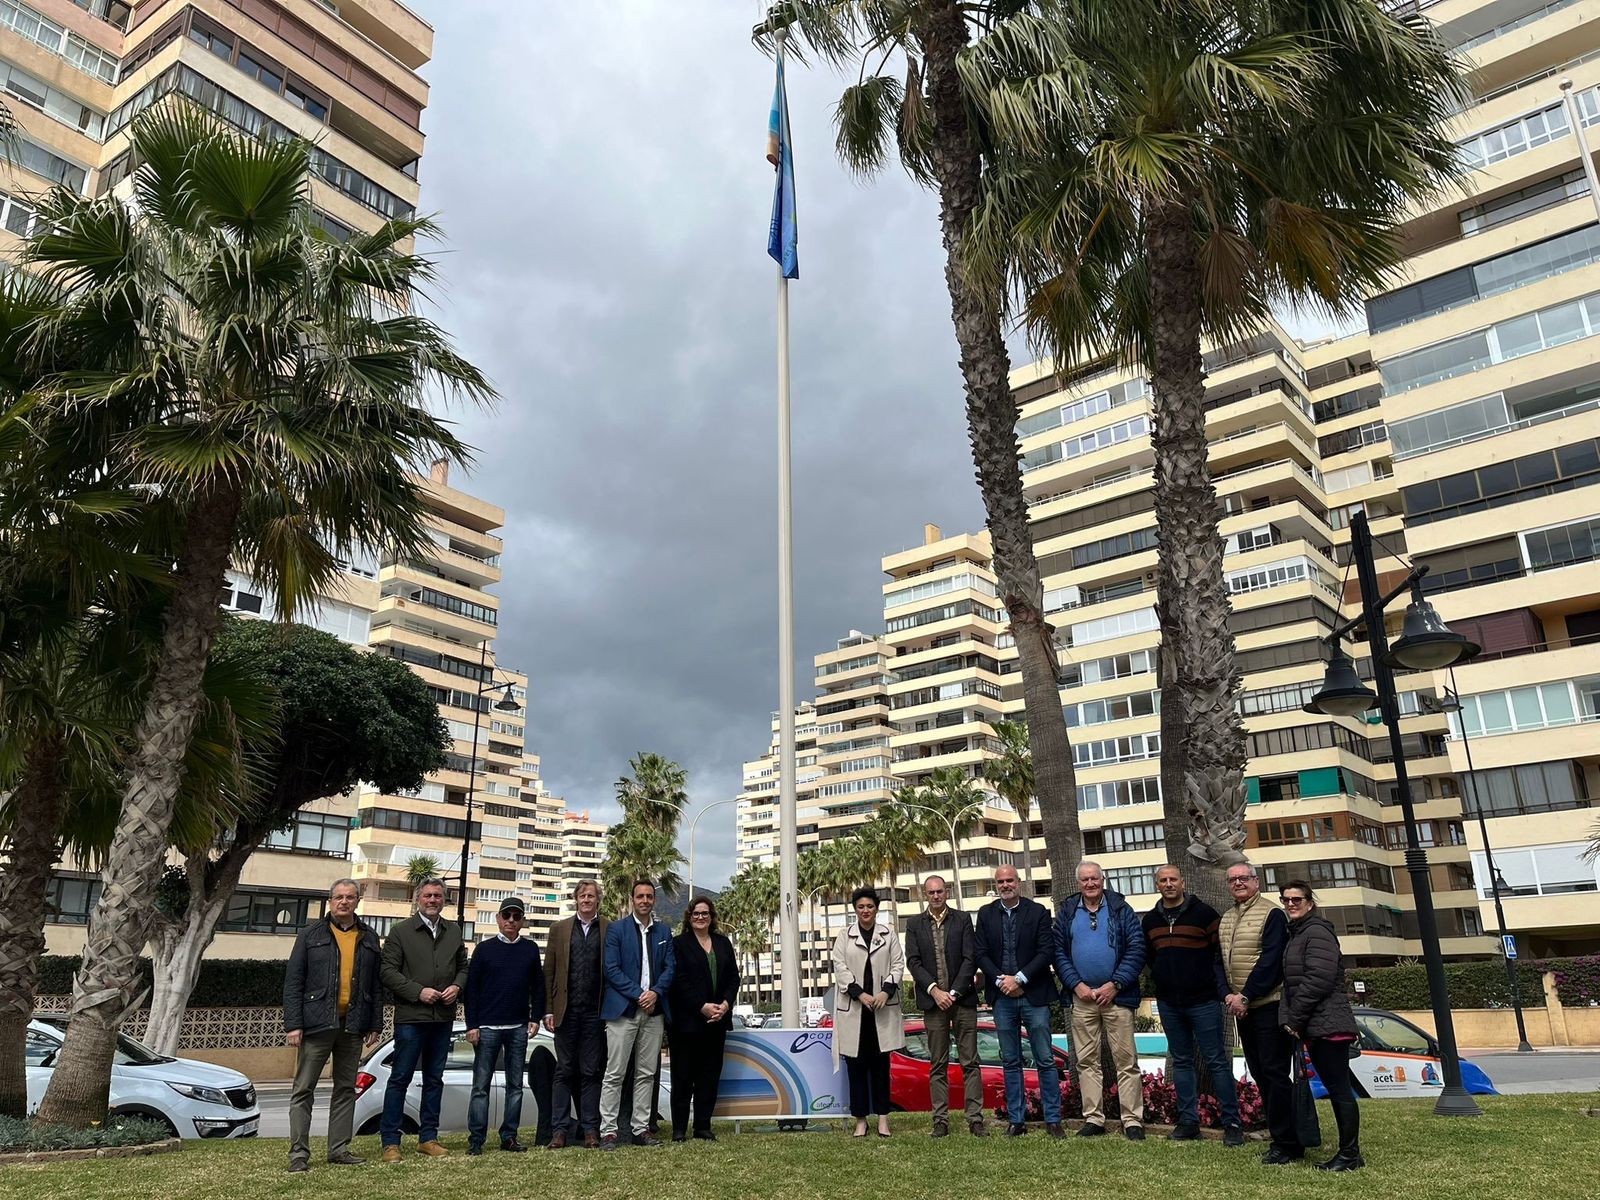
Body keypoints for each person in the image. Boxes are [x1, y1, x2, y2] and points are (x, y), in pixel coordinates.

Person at [282, 879, 384, 1173]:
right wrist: (293, 1025)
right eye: (338, 897)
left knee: (344, 1089)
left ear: (357, 901)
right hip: (316, 1024)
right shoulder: (310, 935)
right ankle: (298, 1153)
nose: (344, 902)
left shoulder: (368, 937)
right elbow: (293, 982)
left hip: (353, 1026)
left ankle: (338, 1149)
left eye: (349, 897)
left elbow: (376, 987)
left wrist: (375, 1023)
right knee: (303, 1090)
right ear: (330, 901)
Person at [1142, 864, 1244, 1146]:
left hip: (1204, 1001)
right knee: (1182, 1061)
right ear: (1157, 885)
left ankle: (1232, 1122)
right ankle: (1189, 1121)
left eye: (1173, 879)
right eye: (1163, 880)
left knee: (1216, 1061)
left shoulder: (1205, 914)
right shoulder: (1150, 921)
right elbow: (1151, 959)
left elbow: (1218, 955)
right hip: (1169, 1003)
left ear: (1182, 882)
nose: (1169, 883)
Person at [378, 877, 469, 1162]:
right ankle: (391, 1142)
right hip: (411, 1019)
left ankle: (428, 1138)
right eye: (428, 895)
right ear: (419, 899)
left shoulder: (453, 931)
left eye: (438, 896)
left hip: (442, 1019)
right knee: (400, 1079)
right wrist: (419, 992)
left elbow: (464, 967)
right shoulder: (400, 932)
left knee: (435, 1079)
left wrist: (457, 986)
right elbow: (387, 972)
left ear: (444, 900)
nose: (433, 900)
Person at [1055, 860, 1147, 1140]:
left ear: (1102, 880)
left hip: (1117, 997)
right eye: (1085, 880)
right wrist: (1076, 984)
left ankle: (1132, 1121)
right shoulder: (1068, 911)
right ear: (1078, 883)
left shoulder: (1121, 909)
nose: (1090, 884)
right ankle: (1094, 1119)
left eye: (1094, 878)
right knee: (1086, 1061)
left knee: (1126, 1060)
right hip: (1081, 998)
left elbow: (1137, 948)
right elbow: (1058, 951)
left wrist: (1115, 984)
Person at [1280, 881, 1363, 1171]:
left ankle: (1350, 1154)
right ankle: (1351, 1153)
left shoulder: (1316, 932)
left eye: (1297, 899)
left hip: (1328, 1024)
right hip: (1318, 1024)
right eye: (1286, 899)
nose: (1291, 904)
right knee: (1336, 1086)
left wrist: (1295, 1019)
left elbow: (1318, 979)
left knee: (1338, 1089)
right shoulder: (1300, 933)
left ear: (1310, 902)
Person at [974, 864, 1062, 1138]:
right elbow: (980, 952)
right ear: (996, 885)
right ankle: (1016, 1120)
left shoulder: (1036, 912)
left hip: (1033, 995)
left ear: (1019, 883)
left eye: (1009, 880)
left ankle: (1053, 1119)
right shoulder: (986, 914)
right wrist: (1002, 981)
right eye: (1000, 881)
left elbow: (1046, 951)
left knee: (1045, 1059)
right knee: (1010, 1061)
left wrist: (1020, 979)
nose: (1005, 885)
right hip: (1002, 997)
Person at [1218, 862, 1298, 1164]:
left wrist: (1246, 995)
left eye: (1244, 878)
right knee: (1261, 1073)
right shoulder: (1227, 917)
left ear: (1256, 881)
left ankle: (1288, 1142)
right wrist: (1227, 994)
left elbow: (1271, 961)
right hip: (1243, 1009)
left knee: (1275, 1073)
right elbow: (1219, 961)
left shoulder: (1272, 913)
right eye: (1233, 879)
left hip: (1268, 1006)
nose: (1238, 883)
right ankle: (1281, 1136)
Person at [464, 896, 546, 1155]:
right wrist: (472, 1024)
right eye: (507, 916)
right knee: (480, 1087)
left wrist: (535, 1018)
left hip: (518, 1027)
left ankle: (509, 1136)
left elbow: (539, 987)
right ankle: (476, 1139)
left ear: (522, 921)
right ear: (498, 919)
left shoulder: (530, 949)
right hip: (487, 1027)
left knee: (516, 1087)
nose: (511, 920)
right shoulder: (484, 949)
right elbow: (472, 990)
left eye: (516, 916)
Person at [904, 874, 984, 1138]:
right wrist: (935, 991)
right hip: (932, 1002)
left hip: (963, 1000)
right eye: (931, 893)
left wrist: (953, 991)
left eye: (939, 891)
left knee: (970, 1061)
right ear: (924, 895)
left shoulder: (962, 919)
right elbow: (913, 962)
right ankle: (940, 1120)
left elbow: (970, 958)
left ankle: (975, 1119)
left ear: (946, 892)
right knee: (937, 1063)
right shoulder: (915, 924)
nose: (936, 896)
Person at [599, 879, 676, 1149]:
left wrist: (654, 992)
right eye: (640, 896)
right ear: (633, 900)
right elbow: (611, 969)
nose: (644, 900)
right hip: (623, 1010)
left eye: (649, 896)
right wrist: (639, 994)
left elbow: (670, 969)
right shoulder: (616, 930)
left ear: (654, 900)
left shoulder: (664, 931)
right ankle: (608, 1131)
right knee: (615, 1073)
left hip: (654, 1012)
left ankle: (640, 1129)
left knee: (647, 1073)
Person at [830, 887, 904, 1138]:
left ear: (876, 909)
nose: (865, 911)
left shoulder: (888, 933)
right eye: (861, 907)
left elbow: (898, 964)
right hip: (855, 1009)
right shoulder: (844, 935)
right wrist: (859, 993)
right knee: (856, 1067)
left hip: (881, 1008)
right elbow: (839, 966)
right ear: (855, 909)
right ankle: (861, 1120)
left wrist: (885, 992)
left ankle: (883, 1119)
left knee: (881, 1066)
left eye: (870, 907)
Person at [666, 896, 740, 1141]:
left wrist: (725, 1005)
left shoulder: (723, 943)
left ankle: (702, 1126)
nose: (700, 917)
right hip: (687, 1023)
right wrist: (701, 1006)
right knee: (683, 1076)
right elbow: (678, 980)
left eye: (705, 913)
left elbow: (733, 978)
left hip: (717, 1022)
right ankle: (679, 1129)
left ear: (711, 917)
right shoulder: (679, 944)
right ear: (689, 917)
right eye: (696, 913)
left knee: (709, 1075)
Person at [543, 878, 608, 1149]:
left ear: (597, 900)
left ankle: (590, 1129)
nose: (586, 900)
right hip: (565, 1012)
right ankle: (559, 1130)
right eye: (582, 895)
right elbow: (549, 971)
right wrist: (547, 1010)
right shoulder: (559, 929)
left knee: (592, 1072)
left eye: (591, 896)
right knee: (564, 1070)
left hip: (596, 1011)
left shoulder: (609, 928)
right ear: (575, 899)